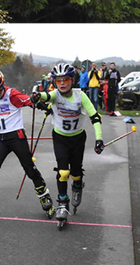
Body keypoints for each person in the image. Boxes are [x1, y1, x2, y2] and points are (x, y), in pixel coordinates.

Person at [0, 68, 54, 220]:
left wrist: (42, 105)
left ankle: (45, 197)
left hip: (17, 138)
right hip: (1, 138)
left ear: (2, 85)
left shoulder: (11, 94)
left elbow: (28, 100)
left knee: (29, 169)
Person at [31, 63, 104, 225]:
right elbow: (46, 96)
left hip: (78, 138)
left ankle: (78, 185)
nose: (62, 83)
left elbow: (95, 117)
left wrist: (99, 138)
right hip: (60, 138)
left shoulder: (80, 96)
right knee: (63, 172)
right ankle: (62, 203)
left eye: (65, 80)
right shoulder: (55, 94)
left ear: (73, 80)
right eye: (58, 81)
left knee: (76, 173)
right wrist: (37, 96)